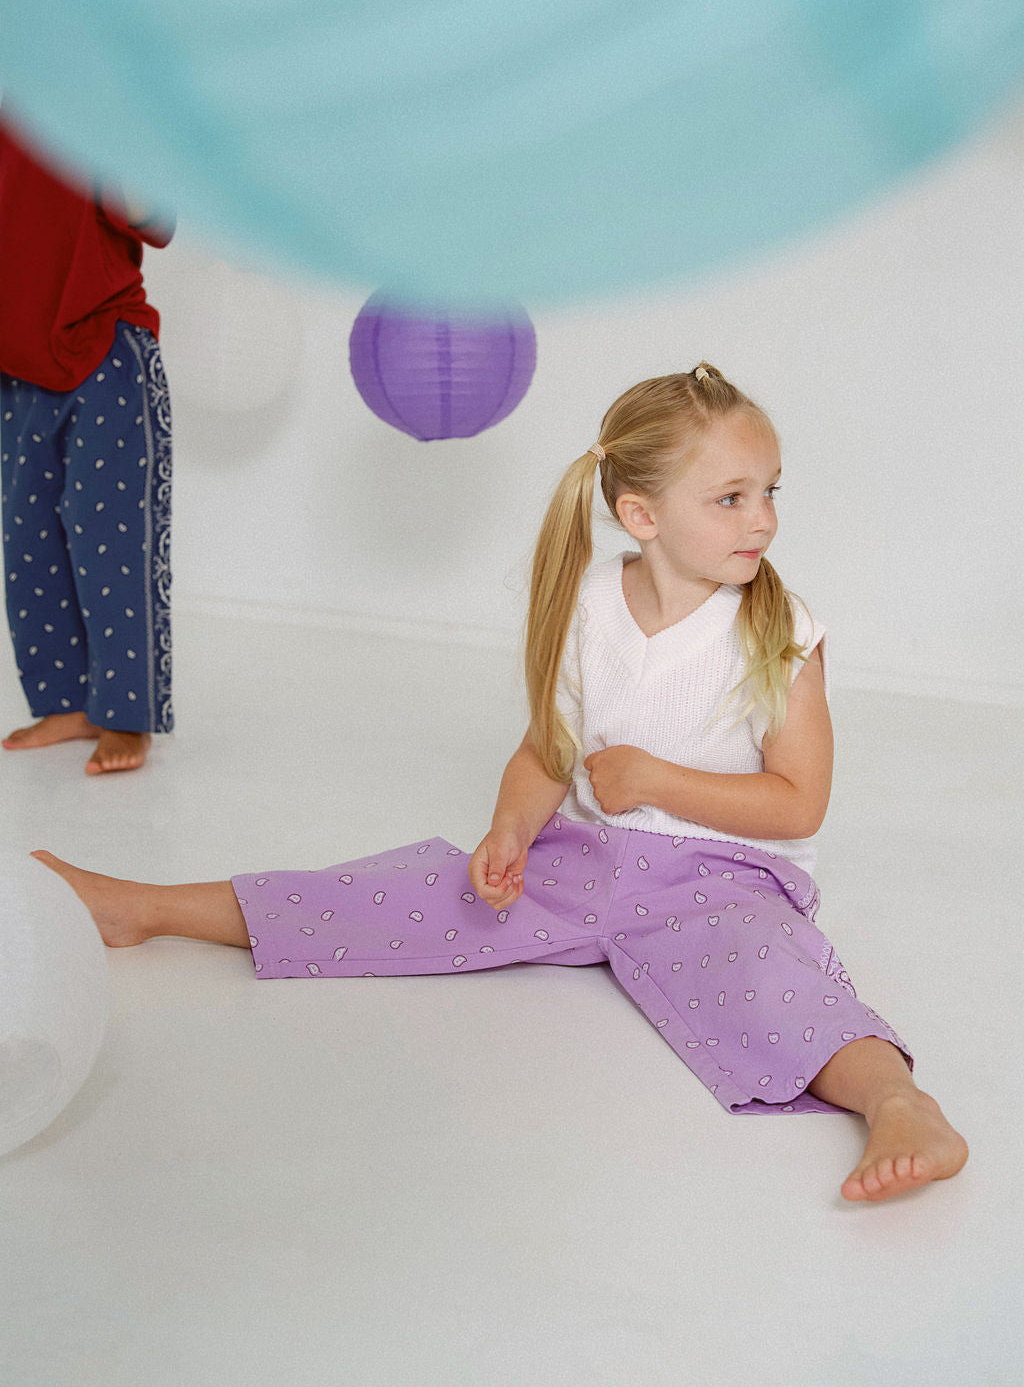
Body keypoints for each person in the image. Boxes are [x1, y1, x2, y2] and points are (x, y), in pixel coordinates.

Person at [33, 365, 967, 1201]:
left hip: (726, 881)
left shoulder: (780, 628)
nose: (762, 519)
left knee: (773, 983)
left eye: (768, 491)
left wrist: (658, 780)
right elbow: (545, 753)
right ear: (642, 515)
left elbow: (798, 802)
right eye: (730, 497)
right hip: (585, 859)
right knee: (397, 894)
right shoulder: (592, 605)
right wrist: (511, 832)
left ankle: (898, 1104)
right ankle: (144, 906)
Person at [0, 107, 175, 774]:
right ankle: (67, 700)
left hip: (104, 346)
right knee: (30, 541)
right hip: (18, 364)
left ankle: (126, 713)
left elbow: (154, 214)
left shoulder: (85, 98)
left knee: (112, 539)